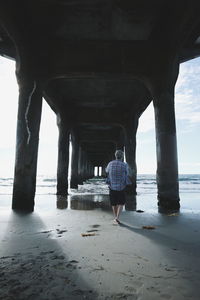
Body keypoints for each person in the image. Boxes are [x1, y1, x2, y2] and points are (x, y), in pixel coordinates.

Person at [106, 150, 131, 225]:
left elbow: (107, 171)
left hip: (112, 186)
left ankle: (115, 217)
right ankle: (117, 217)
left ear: (115, 156)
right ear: (122, 157)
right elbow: (128, 173)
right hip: (121, 187)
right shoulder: (124, 165)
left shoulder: (110, 163)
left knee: (113, 203)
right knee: (121, 203)